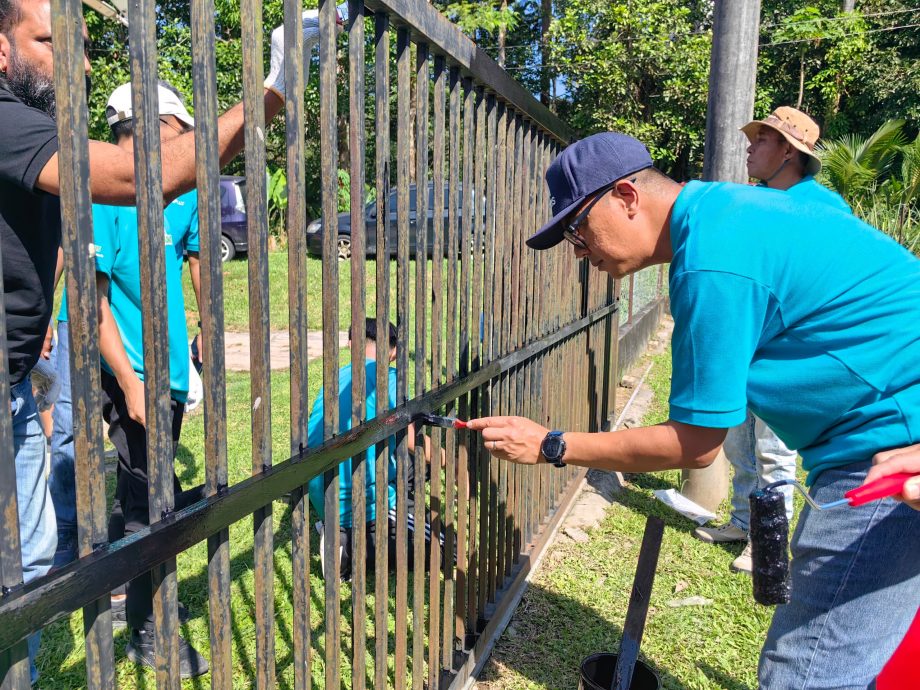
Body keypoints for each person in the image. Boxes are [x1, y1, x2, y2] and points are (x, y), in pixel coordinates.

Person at [469, 132, 920, 689]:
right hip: (886, 443)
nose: (579, 253)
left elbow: (696, 443)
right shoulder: (745, 210)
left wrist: (550, 445)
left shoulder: (711, 262)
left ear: (627, 196)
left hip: (890, 459)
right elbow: (830, 218)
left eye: (576, 230)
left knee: (807, 673)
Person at [0, 0, 329, 680]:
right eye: (50, 40)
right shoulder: (11, 128)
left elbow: (178, 247)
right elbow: (138, 195)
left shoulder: (36, 132)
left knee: (30, 567)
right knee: (69, 542)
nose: (81, 63)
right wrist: (274, 87)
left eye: (82, 44)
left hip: (21, 384)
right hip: (90, 381)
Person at [692, 106, 851, 574]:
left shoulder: (822, 208)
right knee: (737, 442)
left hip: (788, 352)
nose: (749, 146)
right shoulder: (760, 202)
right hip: (748, 344)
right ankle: (743, 521)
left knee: (774, 452)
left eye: (761, 140)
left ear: (789, 151)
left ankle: (768, 543)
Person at [307, 319, 436, 581]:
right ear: (395, 351)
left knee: (406, 465)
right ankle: (349, 548)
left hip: (322, 490)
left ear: (350, 343)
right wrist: (448, 459)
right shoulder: (387, 379)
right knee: (447, 549)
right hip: (360, 502)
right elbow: (412, 439)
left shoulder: (335, 379)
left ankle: (346, 530)